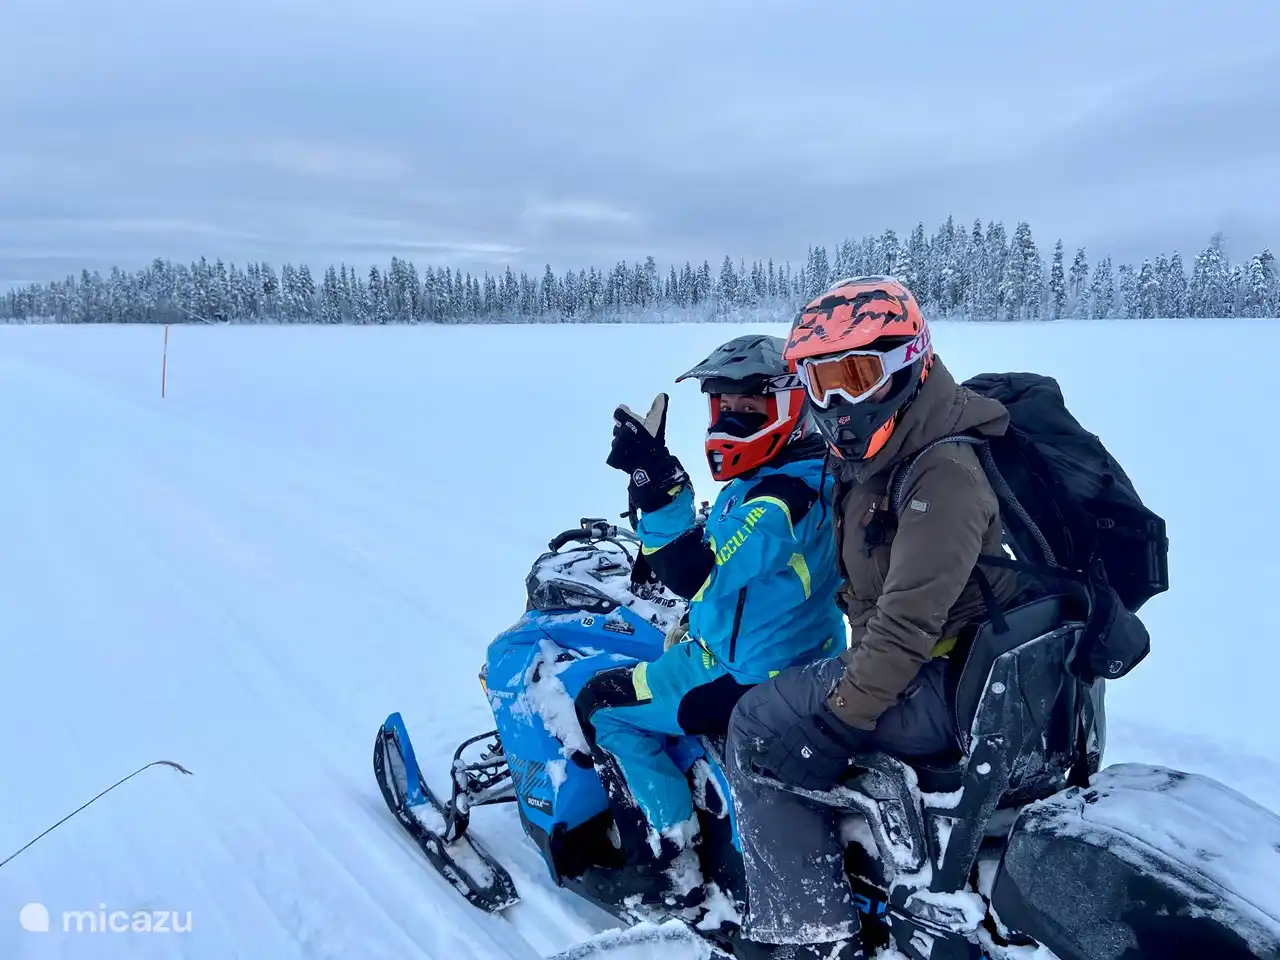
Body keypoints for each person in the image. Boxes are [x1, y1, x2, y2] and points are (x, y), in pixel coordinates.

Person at [723, 277, 1037, 958]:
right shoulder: (897, 447)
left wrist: (837, 725)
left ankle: (806, 933)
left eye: (856, 377)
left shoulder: (941, 473)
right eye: (821, 381)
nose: (838, 404)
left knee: (753, 722)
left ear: (906, 363)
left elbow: (904, 627)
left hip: (938, 684)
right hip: (959, 670)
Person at [573, 333, 846, 908]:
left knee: (600, 705)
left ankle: (663, 861)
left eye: (751, 408)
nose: (731, 421)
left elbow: (694, 570)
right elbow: (733, 561)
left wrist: (657, 480)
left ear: (793, 407)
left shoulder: (781, 500)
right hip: (807, 659)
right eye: (724, 407)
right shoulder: (814, 472)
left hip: (743, 673)